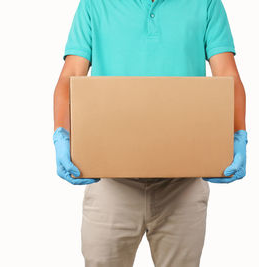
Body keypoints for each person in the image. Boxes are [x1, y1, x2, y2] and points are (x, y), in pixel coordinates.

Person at [53, 0, 248, 266]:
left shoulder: (205, 3)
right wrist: (61, 133)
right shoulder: (94, 4)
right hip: (110, 183)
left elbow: (227, 75)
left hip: (183, 185)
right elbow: (70, 75)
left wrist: (238, 135)